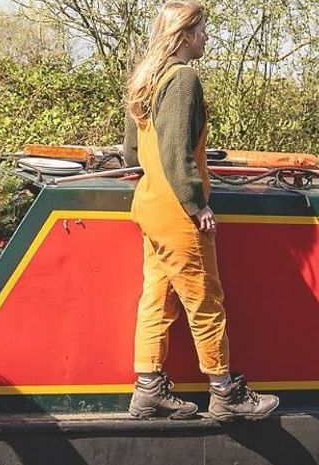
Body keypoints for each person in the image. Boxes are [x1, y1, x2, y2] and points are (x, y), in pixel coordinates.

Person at [124, 1, 279, 421]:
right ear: (186, 34)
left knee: (156, 299)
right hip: (177, 212)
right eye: (204, 29)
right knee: (206, 301)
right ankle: (225, 393)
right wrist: (198, 204)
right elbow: (177, 152)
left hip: (150, 204)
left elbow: (132, 151)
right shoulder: (184, 79)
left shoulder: (145, 79)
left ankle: (148, 390)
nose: (208, 37)